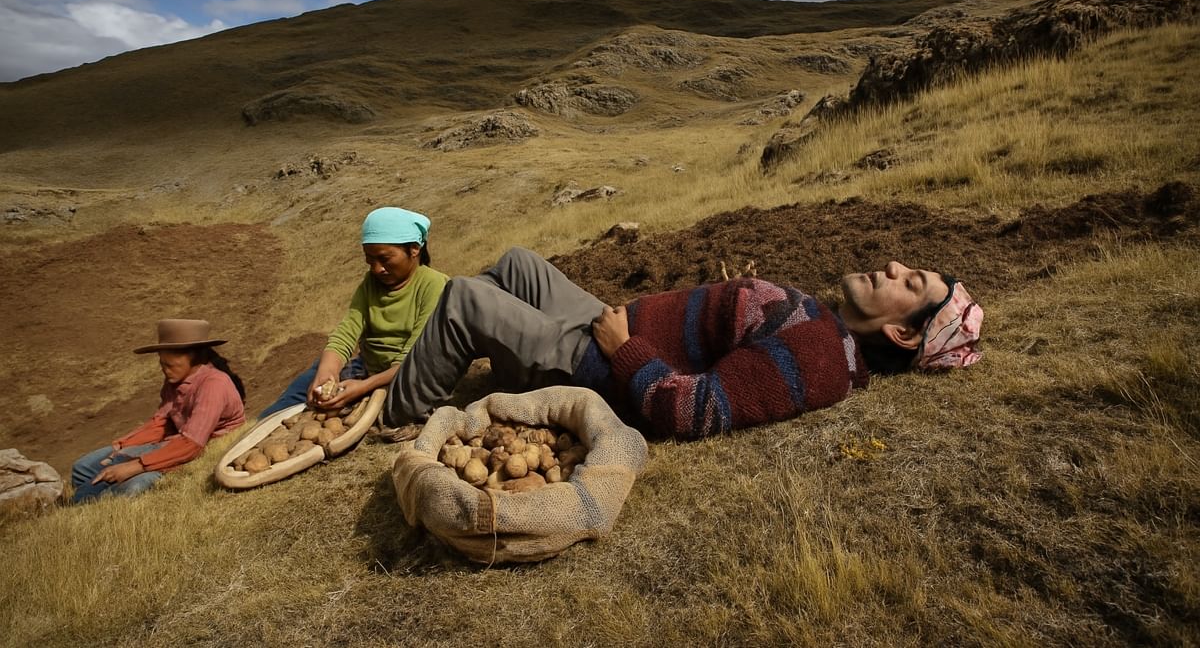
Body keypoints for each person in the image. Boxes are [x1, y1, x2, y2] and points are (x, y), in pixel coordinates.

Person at [352, 247, 982, 440]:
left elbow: (698, 410)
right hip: (611, 326)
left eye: (910, 283)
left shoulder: (820, 358)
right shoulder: (823, 324)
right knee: (518, 264)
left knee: (465, 296)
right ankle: (493, 355)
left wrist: (623, 349)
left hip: (599, 365)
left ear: (902, 333)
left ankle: (399, 413)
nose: (893, 268)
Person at [258, 207, 449, 419]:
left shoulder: (434, 285)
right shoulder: (371, 282)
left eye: (384, 259)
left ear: (414, 249)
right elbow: (347, 331)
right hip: (367, 366)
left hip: (408, 374)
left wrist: (365, 386)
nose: (377, 269)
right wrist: (328, 371)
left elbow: (414, 356)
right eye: (370, 260)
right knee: (301, 388)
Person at [70, 319, 246, 503]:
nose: (165, 370)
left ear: (194, 358)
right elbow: (161, 422)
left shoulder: (214, 384)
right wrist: (122, 445)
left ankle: (99, 503)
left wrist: (134, 466)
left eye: (171, 365)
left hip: (199, 451)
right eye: (163, 364)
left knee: (133, 487)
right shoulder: (175, 380)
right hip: (173, 442)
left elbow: (191, 445)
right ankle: (92, 498)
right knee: (83, 468)